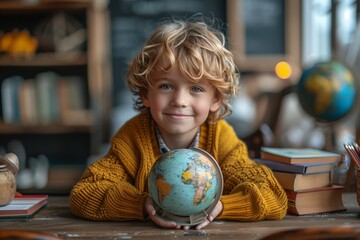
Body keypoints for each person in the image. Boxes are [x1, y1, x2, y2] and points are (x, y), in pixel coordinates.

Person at [70, 16, 287, 230]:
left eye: (196, 89)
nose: (180, 101)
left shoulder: (220, 137)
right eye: (166, 86)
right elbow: (86, 192)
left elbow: (273, 196)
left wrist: (221, 206)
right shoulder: (133, 137)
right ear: (146, 93)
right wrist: (144, 205)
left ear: (216, 99)